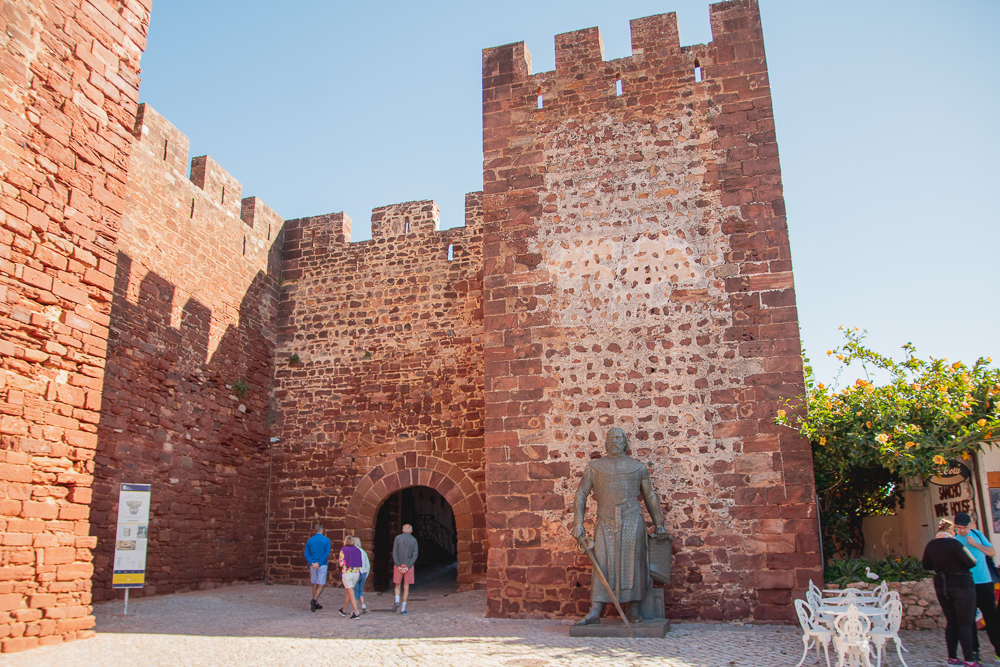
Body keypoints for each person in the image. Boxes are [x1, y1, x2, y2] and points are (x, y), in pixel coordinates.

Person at [572, 427, 668, 625]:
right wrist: (578, 523)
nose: (615, 440)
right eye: (611, 437)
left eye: (619, 437)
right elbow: (581, 493)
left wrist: (659, 523)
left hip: (632, 519)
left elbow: (649, 495)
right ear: (606, 442)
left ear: (625, 442)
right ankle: (595, 611)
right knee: (602, 563)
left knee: (632, 564)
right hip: (605, 519)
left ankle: (633, 609)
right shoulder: (594, 467)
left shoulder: (637, 467)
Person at [923, 518, 979, 666]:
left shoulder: (931, 545)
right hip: (961, 585)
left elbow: (925, 565)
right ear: (951, 531)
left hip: (942, 585)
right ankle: (969, 659)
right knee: (965, 624)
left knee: (952, 622)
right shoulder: (955, 544)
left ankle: (952, 657)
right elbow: (971, 562)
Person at [954, 512, 1000, 663]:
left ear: (970, 525)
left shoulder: (977, 535)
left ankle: (998, 651)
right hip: (967, 585)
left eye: (964, 528)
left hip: (985, 583)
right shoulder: (954, 541)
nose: (961, 531)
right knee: (969, 621)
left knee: (992, 619)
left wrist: (975, 544)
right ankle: (975, 653)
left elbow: (992, 552)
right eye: (958, 528)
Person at [392, 523, 418, 615]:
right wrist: (408, 566)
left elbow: (394, 552)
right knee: (406, 587)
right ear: (411, 531)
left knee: (397, 585)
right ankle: (403, 608)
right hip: (409, 566)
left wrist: (398, 565)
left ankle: (397, 600)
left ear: (402, 530)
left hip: (398, 565)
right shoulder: (414, 540)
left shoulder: (398, 538)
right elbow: (415, 555)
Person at [304, 523, 331, 612]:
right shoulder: (326, 540)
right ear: (321, 529)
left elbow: (306, 553)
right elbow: (326, 554)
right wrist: (319, 563)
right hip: (322, 564)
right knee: (321, 584)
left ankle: (315, 602)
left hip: (313, 564)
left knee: (314, 583)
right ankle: (314, 599)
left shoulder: (310, 540)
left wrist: (312, 563)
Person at [338, 536, 363, 619]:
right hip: (356, 573)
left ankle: (356, 612)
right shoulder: (357, 550)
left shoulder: (343, 550)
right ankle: (344, 610)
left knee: (350, 591)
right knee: (348, 591)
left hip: (347, 573)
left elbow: (341, 563)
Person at [353, 536, 370, 614]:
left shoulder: (353, 551)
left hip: (357, 572)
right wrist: (366, 574)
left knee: (355, 591)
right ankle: (363, 605)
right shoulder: (363, 551)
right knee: (360, 590)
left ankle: (355, 609)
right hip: (363, 572)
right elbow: (367, 564)